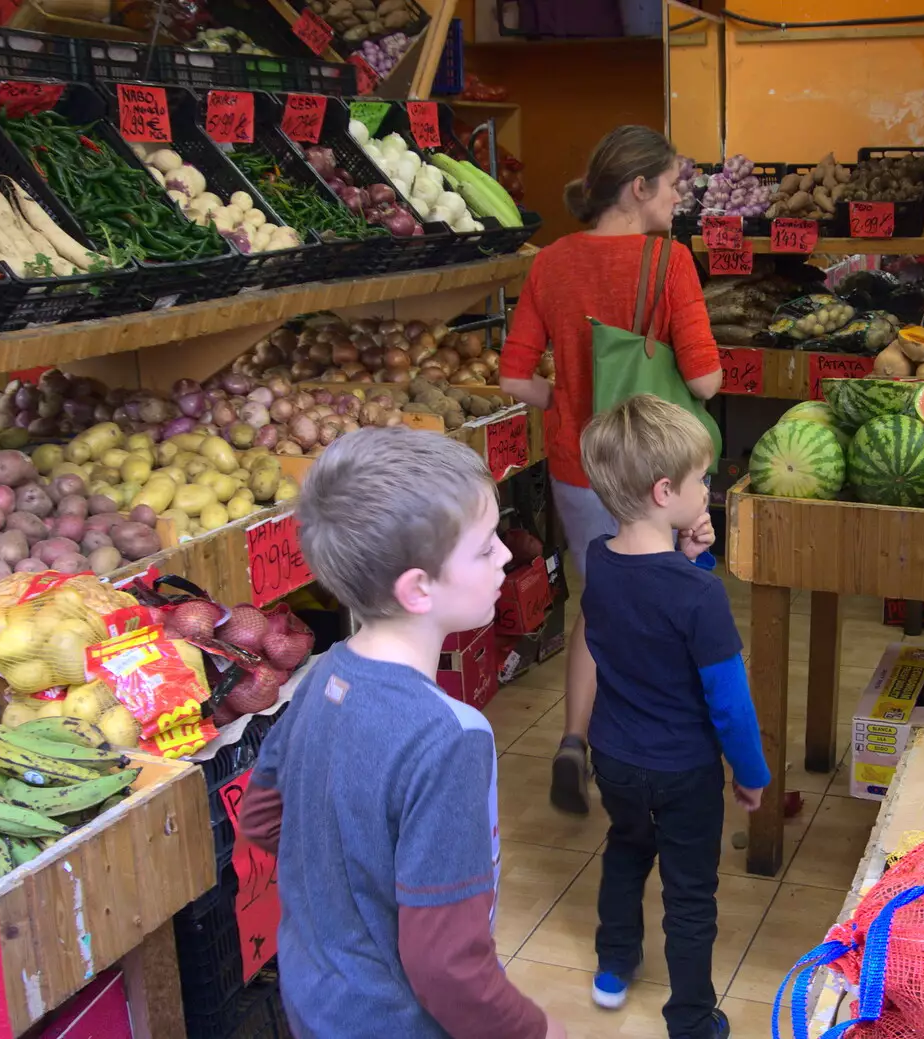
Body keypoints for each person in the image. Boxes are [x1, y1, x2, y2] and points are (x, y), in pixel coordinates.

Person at [238, 427, 565, 1039]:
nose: (504, 556)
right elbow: (445, 964)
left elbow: (262, 818)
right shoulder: (450, 738)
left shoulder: (320, 676)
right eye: (483, 546)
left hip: (317, 996)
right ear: (418, 588)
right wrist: (535, 1031)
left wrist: (351, 895)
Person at [498, 125, 722, 817]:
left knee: (600, 602)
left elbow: (513, 377)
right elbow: (707, 380)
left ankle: (575, 739)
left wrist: (566, 397)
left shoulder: (552, 262)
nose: (680, 196)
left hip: (579, 462)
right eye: (675, 182)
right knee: (671, 605)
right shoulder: (670, 262)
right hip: (659, 468)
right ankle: (660, 751)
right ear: (639, 187)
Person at [577, 394, 771, 1039]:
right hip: (684, 770)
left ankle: (612, 967)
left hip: (616, 757)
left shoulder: (598, 561)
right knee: (691, 895)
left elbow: (646, 610)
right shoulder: (700, 595)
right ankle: (690, 1019)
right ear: (666, 491)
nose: (708, 490)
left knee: (627, 850)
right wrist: (750, 772)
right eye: (703, 480)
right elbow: (730, 701)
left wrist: (688, 556)